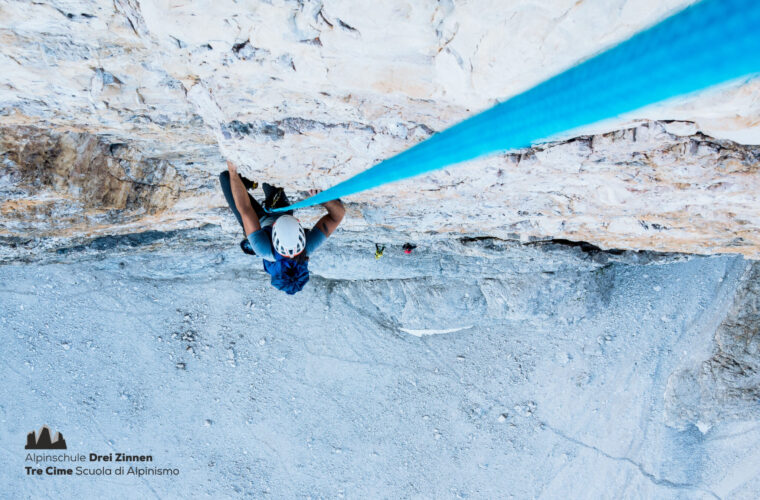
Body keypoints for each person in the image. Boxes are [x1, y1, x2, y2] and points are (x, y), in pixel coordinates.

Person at [219, 160, 345, 294]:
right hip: (280, 210)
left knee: (226, 178)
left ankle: (247, 183)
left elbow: (245, 209)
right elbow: (338, 215)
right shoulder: (308, 246)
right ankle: (253, 183)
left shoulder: (262, 248)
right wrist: (325, 200)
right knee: (269, 175)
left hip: (259, 224)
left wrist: (233, 171)